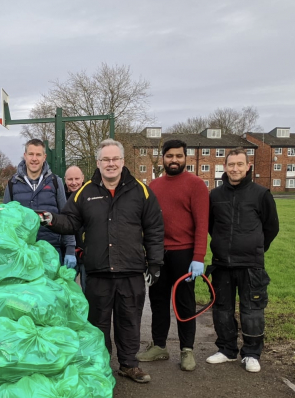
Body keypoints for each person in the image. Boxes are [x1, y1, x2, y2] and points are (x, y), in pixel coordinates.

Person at [41, 139, 164, 383]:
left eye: (115, 159)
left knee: (129, 321)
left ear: (122, 161)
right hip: (98, 271)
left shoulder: (141, 191)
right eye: (105, 159)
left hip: (130, 270)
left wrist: (155, 263)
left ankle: (129, 364)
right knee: (98, 324)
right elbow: (70, 221)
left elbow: (155, 229)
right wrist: (50, 219)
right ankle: (100, 366)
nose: (110, 164)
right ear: (98, 163)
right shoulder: (85, 192)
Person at [137, 140, 209, 372]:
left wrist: (198, 256)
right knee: (158, 301)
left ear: (185, 158)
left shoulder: (196, 184)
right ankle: (159, 346)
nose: (174, 160)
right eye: (170, 156)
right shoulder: (154, 186)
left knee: (184, 303)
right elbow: (146, 223)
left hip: (185, 254)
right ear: (163, 158)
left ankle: (186, 350)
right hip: (158, 253)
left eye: (179, 156)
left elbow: (202, 224)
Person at [206, 147, 279, 373]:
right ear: (225, 167)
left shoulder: (261, 194)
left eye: (239, 164)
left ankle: (251, 353)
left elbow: (271, 227)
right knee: (222, 309)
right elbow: (211, 225)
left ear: (248, 167)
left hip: (251, 265)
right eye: (231, 165)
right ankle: (227, 350)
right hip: (222, 264)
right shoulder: (215, 196)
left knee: (252, 310)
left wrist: (256, 247)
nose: (235, 169)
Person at [3, 139, 76, 269]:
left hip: (51, 250)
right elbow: (5, 220)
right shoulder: (12, 184)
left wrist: (70, 249)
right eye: (31, 154)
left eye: (38, 155)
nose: (34, 159)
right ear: (25, 156)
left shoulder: (55, 182)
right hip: (22, 252)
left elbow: (66, 218)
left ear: (44, 157)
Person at [63, 165, 87, 291]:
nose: (74, 183)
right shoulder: (61, 198)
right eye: (70, 179)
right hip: (67, 252)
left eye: (77, 179)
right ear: (65, 180)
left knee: (88, 292)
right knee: (66, 291)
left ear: (82, 178)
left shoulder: (90, 197)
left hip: (86, 253)